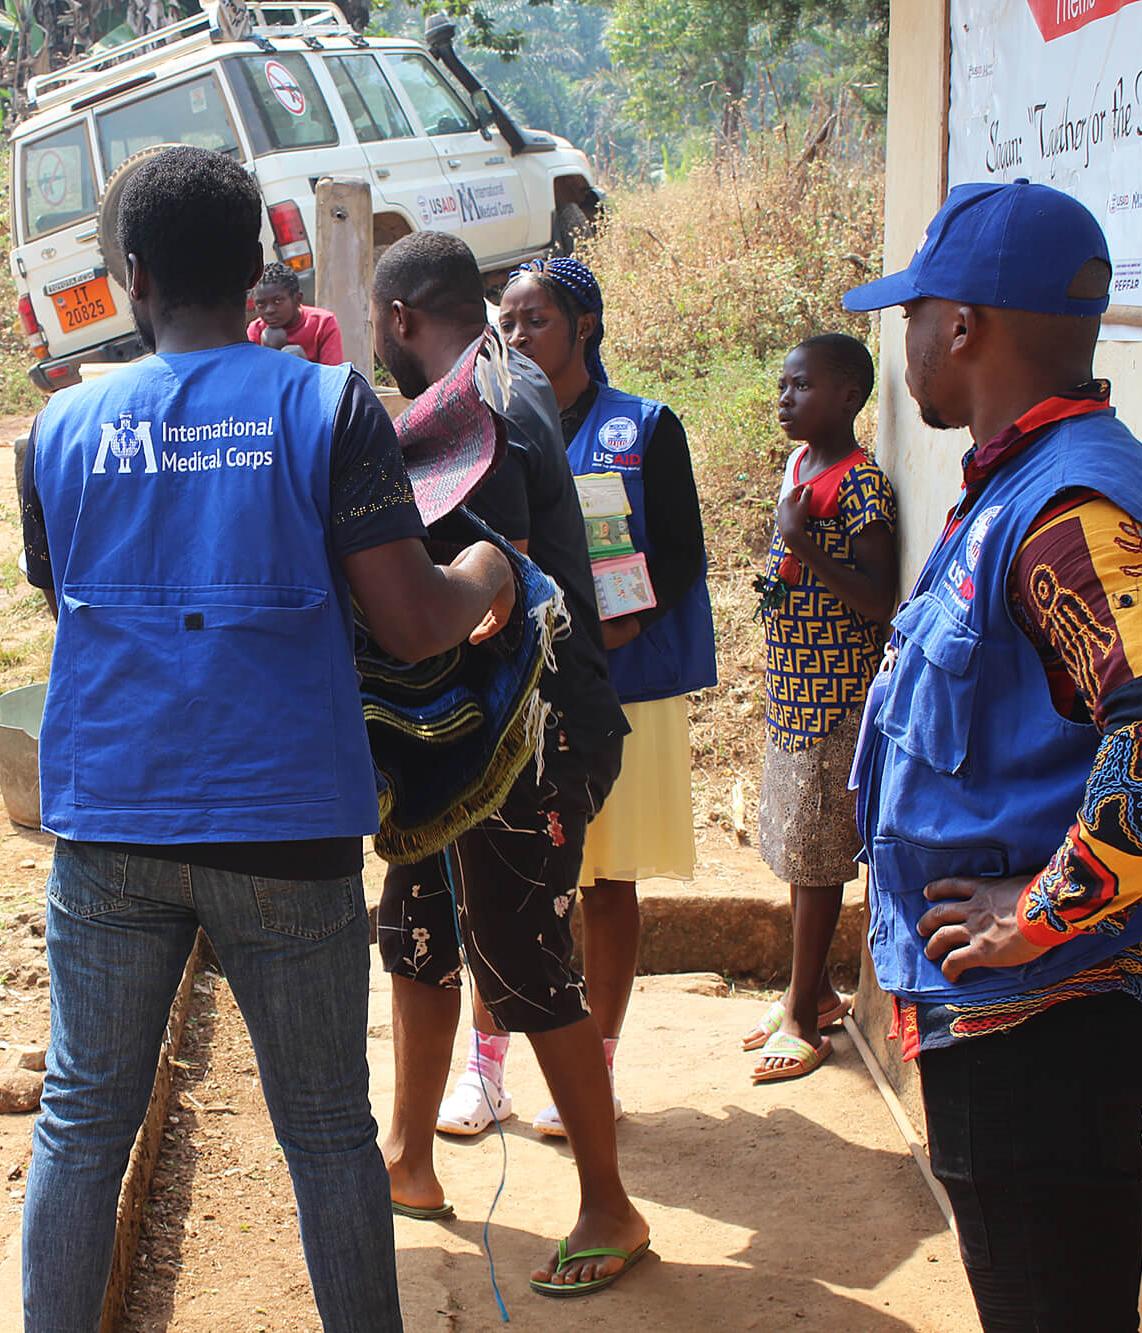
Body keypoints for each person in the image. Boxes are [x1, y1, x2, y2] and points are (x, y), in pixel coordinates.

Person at [16, 146, 517, 1333]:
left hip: (110, 821)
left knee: (84, 1121)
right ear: (257, 271)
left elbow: (72, 593)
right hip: (284, 823)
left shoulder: (55, 431)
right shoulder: (322, 403)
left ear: (130, 278)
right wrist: (485, 572)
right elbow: (407, 622)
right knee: (328, 1128)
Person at [844, 180, 1142, 1331]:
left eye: (913, 310)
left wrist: (1039, 912)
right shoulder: (1015, 482)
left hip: (1042, 1024)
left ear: (961, 327)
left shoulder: (1067, 503)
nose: (900, 335)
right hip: (1012, 1018)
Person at [372, 230, 649, 1298]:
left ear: (400, 320)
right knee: (417, 932)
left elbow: (479, 593)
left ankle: (607, 1206)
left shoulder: (471, 415)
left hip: (529, 739)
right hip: (464, 739)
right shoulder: (500, 380)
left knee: (524, 958)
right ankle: (406, 1157)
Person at [493, 255, 716, 1127]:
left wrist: (611, 629)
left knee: (605, 877)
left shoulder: (644, 428)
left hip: (623, 680)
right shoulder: (497, 421)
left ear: (584, 326)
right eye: (505, 321)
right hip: (521, 685)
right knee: (506, 872)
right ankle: (488, 1066)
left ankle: (602, 1064)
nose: (515, 336)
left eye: (535, 319)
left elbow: (683, 554)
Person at [743, 333, 898, 1081]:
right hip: (792, 695)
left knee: (819, 857)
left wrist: (801, 542)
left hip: (835, 698)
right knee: (798, 848)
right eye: (782, 384)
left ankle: (804, 1019)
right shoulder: (803, 464)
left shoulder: (862, 484)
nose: (784, 398)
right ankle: (815, 992)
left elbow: (877, 599)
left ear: (848, 397)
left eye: (801, 386)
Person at [246, 261, 345, 364]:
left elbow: (333, 376)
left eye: (278, 301)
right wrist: (269, 354)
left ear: (297, 299)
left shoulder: (323, 323)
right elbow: (248, 374)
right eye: (261, 304)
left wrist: (302, 365)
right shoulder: (256, 330)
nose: (269, 310)